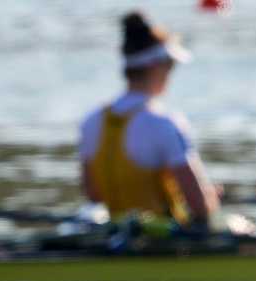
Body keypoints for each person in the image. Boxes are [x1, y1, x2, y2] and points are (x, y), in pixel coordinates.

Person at [79, 12, 222, 227]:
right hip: (165, 243)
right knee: (241, 227)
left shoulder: (91, 121)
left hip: (116, 236)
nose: (171, 74)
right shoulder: (164, 123)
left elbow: (94, 194)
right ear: (156, 66)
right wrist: (211, 197)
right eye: (171, 66)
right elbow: (199, 206)